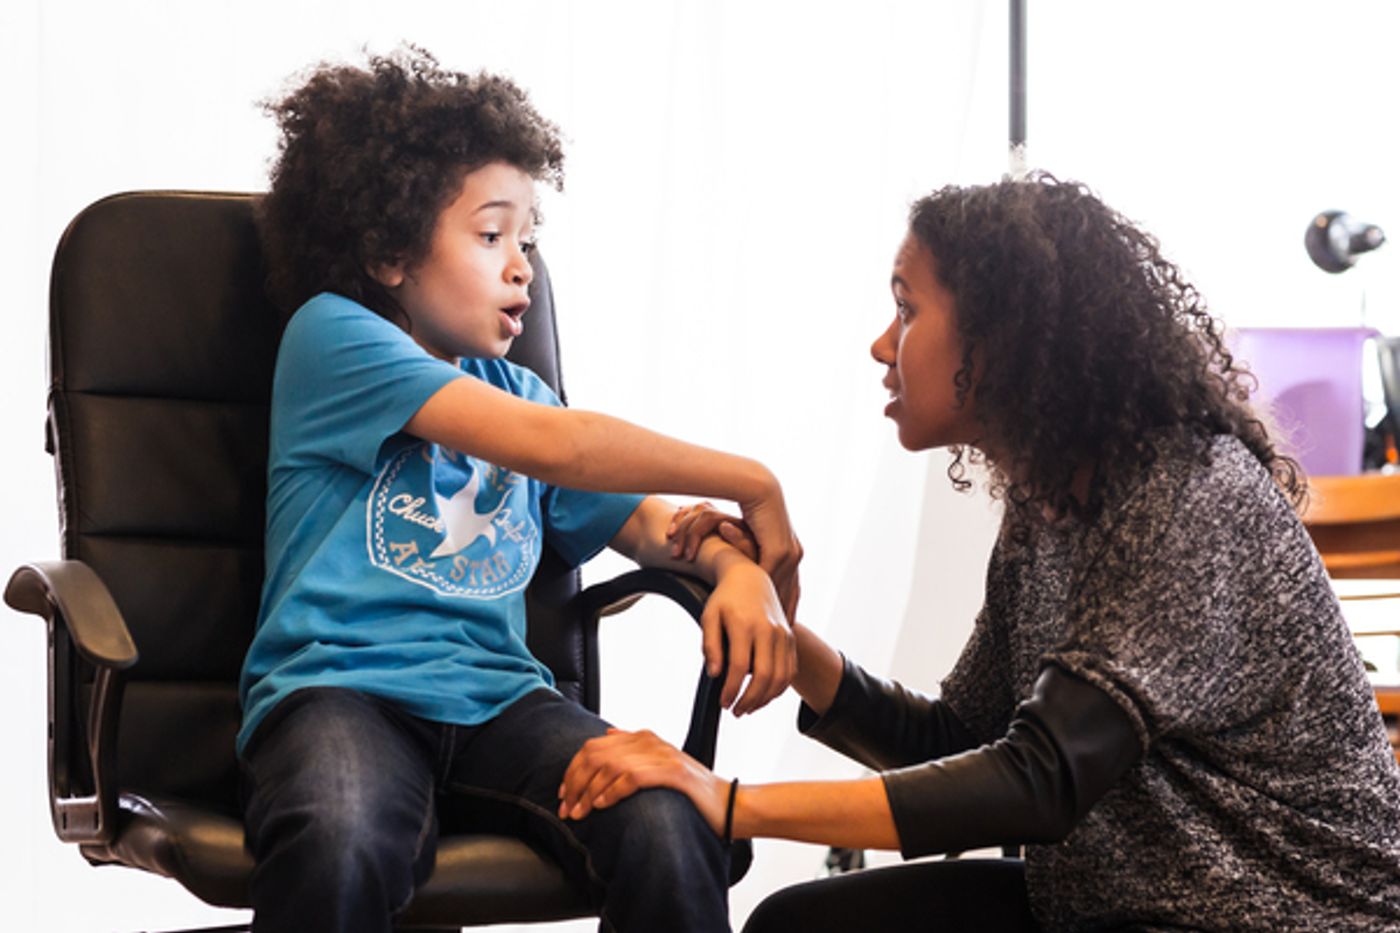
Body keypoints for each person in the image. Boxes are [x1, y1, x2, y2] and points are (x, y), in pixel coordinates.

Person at [558, 174, 1400, 931]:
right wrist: (784, 635)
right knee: (797, 927)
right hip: (1114, 907)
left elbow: (1036, 783)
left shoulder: (1180, 494)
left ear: (1000, 338)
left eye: (908, 308)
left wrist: (730, 801)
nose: (884, 346)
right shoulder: (1049, 501)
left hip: (1280, 915)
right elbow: (957, 736)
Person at [239, 47, 801, 933]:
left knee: (667, 813)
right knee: (338, 831)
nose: (522, 269)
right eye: (491, 234)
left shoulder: (521, 395)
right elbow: (563, 447)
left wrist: (739, 571)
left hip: (502, 701)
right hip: (344, 690)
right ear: (389, 250)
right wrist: (751, 482)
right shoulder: (333, 339)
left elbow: (662, 528)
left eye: (529, 241)